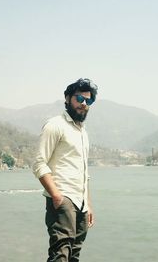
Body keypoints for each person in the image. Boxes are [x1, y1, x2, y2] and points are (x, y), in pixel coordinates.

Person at [32, 78, 98, 262]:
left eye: (88, 101)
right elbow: (38, 163)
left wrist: (88, 204)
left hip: (81, 204)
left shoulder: (82, 132)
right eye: (79, 98)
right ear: (68, 98)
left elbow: (84, 173)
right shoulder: (55, 125)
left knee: (74, 256)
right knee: (60, 255)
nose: (84, 104)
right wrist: (57, 196)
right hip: (63, 198)